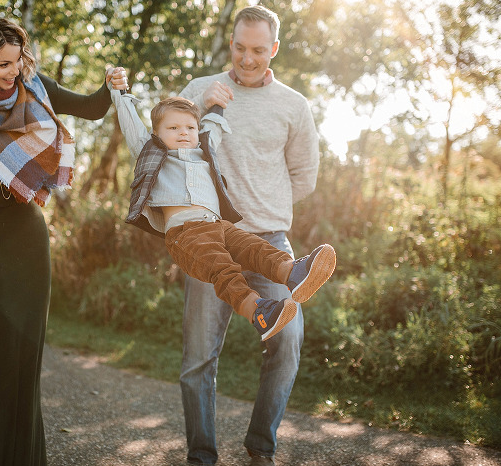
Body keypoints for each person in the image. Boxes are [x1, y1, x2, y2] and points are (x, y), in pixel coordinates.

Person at [0, 15, 128, 466]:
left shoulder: (33, 86)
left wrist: (111, 83)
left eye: (17, 60)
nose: (13, 71)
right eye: (1, 64)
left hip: (27, 238)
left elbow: (92, 108)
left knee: (24, 357)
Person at [176, 5, 321, 466]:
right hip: (208, 241)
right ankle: (201, 456)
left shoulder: (293, 105)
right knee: (199, 356)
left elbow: (304, 177)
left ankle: (262, 446)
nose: (247, 58)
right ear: (232, 42)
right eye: (240, 47)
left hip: (269, 242)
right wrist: (200, 110)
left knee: (289, 337)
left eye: (258, 50)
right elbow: (162, 149)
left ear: (274, 49)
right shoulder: (200, 90)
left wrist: (264, 205)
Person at [108, 84, 335, 341]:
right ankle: (258, 311)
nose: (183, 133)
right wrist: (119, 91)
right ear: (156, 134)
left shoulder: (204, 154)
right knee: (224, 269)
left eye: (189, 128)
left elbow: (213, 128)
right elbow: (131, 125)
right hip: (186, 233)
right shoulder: (152, 153)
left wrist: (219, 104)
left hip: (218, 226)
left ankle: (291, 272)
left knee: (255, 247)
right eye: (173, 128)